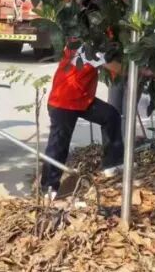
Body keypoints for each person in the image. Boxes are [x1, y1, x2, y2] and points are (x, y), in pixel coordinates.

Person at [41, 42, 125, 196]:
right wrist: (145, 71)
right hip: (63, 102)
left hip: (83, 99)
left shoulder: (87, 42)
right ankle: (48, 188)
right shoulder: (86, 46)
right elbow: (117, 68)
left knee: (110, 116)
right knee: (58, 145)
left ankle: (112, 164)